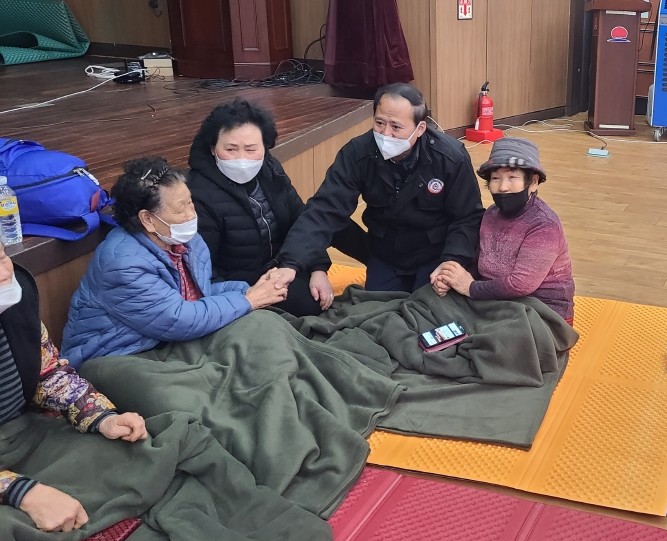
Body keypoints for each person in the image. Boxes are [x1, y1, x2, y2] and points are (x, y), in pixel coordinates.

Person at [61, 157, 287, 369]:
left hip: (163, 341)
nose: (192, 214)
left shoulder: (186, 241)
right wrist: (248, 300)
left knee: (263, 329)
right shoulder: (123, 263)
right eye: (181, 208)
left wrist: (252, 289)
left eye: (191, 202)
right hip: (115, 355)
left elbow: (198, 295)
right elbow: (178, 319)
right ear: (147, 219)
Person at [270, 82, 485, 293]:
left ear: (420, 128)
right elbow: (325, 208)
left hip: (434, 251)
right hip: (386, 251)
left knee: (430, 306)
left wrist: (452, 262)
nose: (385, 134)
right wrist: (291, 262)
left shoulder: (450, 157)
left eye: (396, 127)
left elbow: (467, 216)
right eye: (379, 123)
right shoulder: (357, 153)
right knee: (379, 306)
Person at [0, 241, 147, 532]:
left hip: (24, 434)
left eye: (2, 257)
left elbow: (48, 374)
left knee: (133, 456)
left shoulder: (14, 301)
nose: (4, 274)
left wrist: (102, 418)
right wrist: (20, 492)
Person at [187, 99, 368, 316]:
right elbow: (202, 269)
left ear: (265, 147)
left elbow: (302, 219)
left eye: (251, 149)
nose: (241, 158)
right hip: (240, 283)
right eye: (231, 149)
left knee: (328, 220)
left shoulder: (270, 170)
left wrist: (317, 268)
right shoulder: (197, 193)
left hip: (283, 266)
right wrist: (247, 296)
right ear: (213, 148)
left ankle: (379, 262)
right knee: (304, 307)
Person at [431, 138, 574, 323]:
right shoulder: (491, 214)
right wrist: (451, 278)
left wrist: (470, 287)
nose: (503, 187)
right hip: (494, 301)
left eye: (512, 177)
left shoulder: (544, 225)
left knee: (489, 336)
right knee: (430, 302)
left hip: (539, 312)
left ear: (533, 182)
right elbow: (477, 261)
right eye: (495, 178)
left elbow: (520, 284)